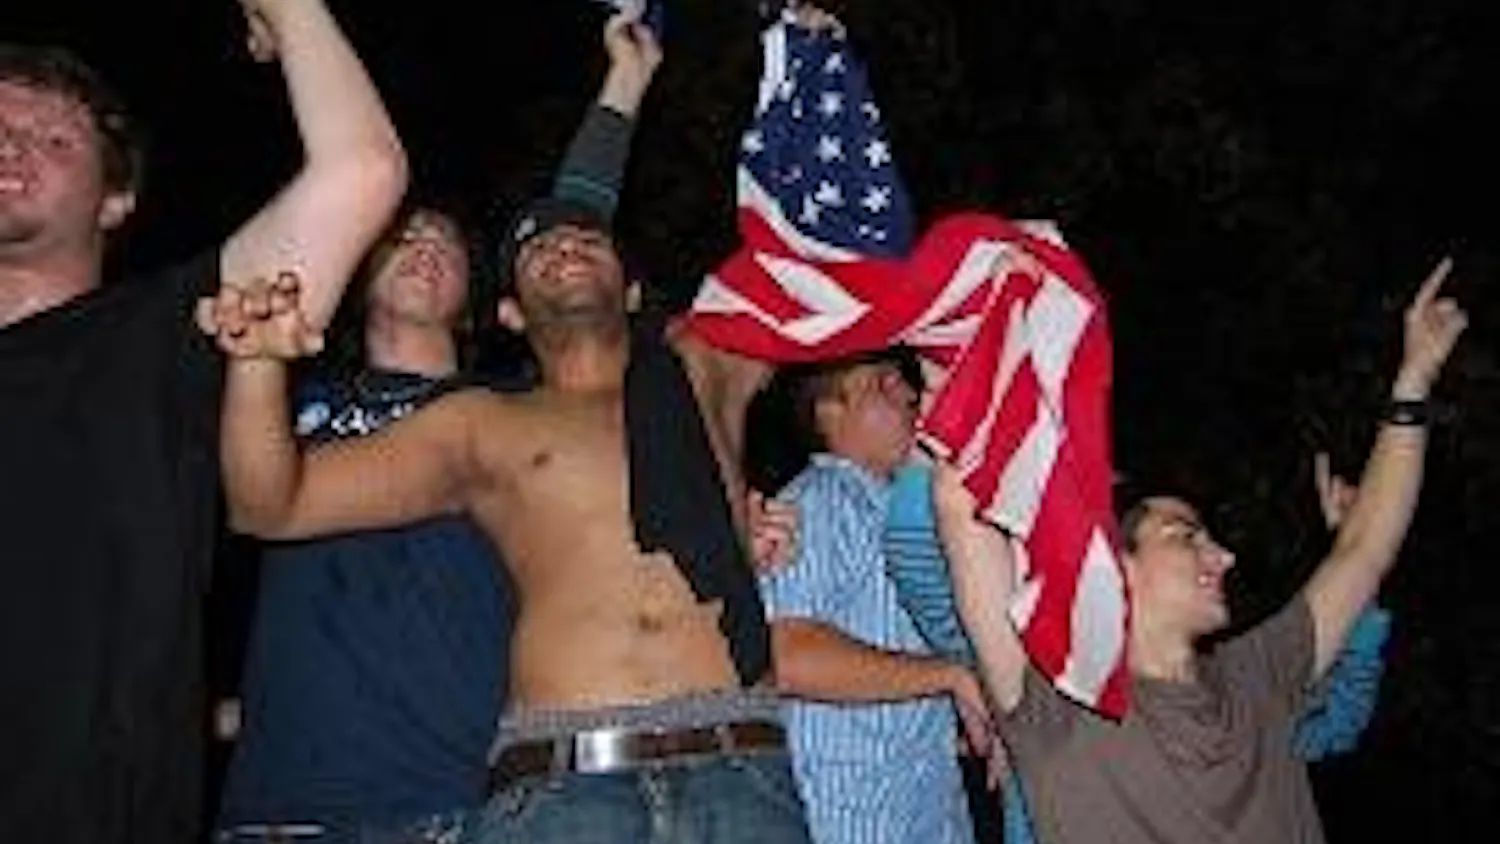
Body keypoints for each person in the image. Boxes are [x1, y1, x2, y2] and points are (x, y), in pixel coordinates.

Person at [196, 5, 814, 843]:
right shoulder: (429, 416)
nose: (420, 244)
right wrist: (259, 364)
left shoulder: (631, 390)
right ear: (513, 310)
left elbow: (580, 224)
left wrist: (636, 82)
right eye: (399, 234)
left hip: (689, 773)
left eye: (445, 240)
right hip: (433, 789)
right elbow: (266, 503)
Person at [0, 0, 406, 839]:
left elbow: (361, 172)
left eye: (54, 139)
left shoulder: (159, 336)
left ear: (116, 200)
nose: (12, 148)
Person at [938, 259, 1466, 844]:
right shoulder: (1061, 708)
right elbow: (960, 503)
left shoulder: (1259, 675)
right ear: (1119, 567)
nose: (1225, 557)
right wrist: (989, 318)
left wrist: (1413, 382)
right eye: (1186, 535)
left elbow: (1364, 552)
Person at [760, 350, 987, 844]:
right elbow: (788, 654)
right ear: (829, 411)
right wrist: (951, 677)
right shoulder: (820, 502)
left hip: (925, 806)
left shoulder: (910, 515)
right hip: (848, 818)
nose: (909, 394)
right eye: (883, 384)